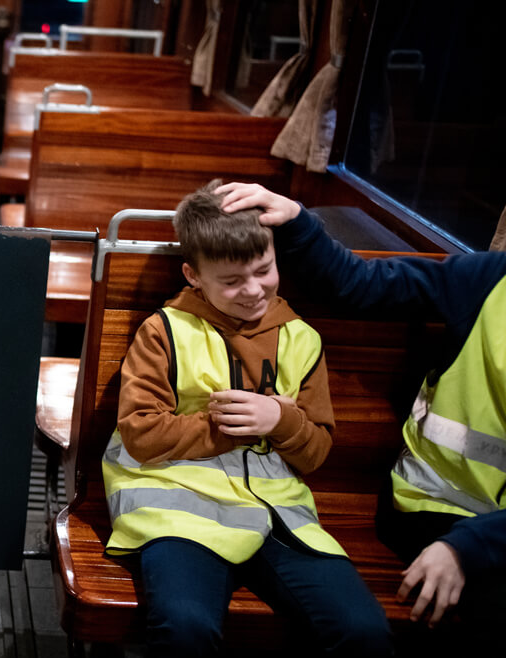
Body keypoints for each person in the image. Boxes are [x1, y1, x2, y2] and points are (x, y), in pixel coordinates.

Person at [102, 180, 391, 657]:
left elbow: (316, 451)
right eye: (232, 281)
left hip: (279, 519)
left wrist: (281, 420)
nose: (254, 290)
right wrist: (229, 426)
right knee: (185, 627)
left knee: (364, 632)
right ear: (193, 276)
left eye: (264, 270)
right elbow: (141, 434)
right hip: (179, 515)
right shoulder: (165, 331)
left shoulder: (301, 338)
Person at [219, 181, 506, 633]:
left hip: (483, 539)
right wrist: (296, 219)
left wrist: (468, 548)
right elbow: (359, 286)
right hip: (428, 511)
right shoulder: (487, 280)